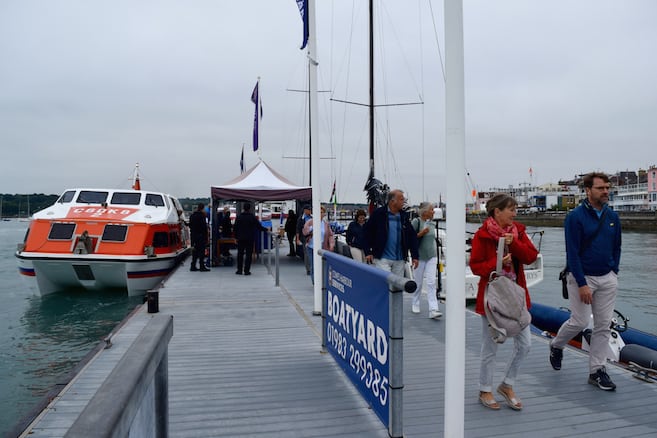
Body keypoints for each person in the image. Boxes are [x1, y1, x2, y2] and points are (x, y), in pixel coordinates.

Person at [548, 172, 622, 391]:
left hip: (607, 277)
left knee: (603, 326)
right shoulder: (575, 217)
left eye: (607, 188)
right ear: (588, 190)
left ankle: (597, 371)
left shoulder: (612, 217)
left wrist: (613, 271)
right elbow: (572, 253)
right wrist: (581, 283)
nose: (606, 191)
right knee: (579, 322)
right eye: (601, 188)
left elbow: (617, 246)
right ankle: (556, 345)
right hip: (583, 277)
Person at [470, 193, 538, 410]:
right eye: (511, 209)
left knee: (525, 344)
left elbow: (530, 256)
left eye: (515, 209)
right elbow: (476, 267)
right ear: (497, 212)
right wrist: (497, 262)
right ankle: (485, 389)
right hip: (493, 299)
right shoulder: (482, 236)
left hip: (516, 297)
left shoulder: (518, 231)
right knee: (490, 346)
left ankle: (507, 384)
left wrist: (514, 244)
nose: (514, 213)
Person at [362, 189, 419, 277]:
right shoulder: (378, 214)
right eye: (401, 199)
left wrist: (415, 256)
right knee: (385, 283)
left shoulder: (403, 216)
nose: (404, 201)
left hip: (400, 259)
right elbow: (366, 233)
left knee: (397, 286)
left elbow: (412, 236)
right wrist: (367, 252)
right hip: (382, 258)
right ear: (393, 201)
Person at [410, 202, 441, 319]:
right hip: (419, 256)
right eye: (432, 209)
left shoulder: (432, 223)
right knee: (418, 282)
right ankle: (415, 302)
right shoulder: (416, 222)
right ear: (425, 211)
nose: (434, 212)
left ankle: (433, 309)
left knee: (431, 282)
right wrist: (421, 234)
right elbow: (410, 238)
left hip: (431, 256)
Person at [233, 203, 268, 275]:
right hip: (250, 238)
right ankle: (246, 271)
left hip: (240, 238)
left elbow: (235, 228)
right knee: (249, 255)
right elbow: (259, 227)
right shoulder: (252, 217)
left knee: (240, 254)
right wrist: (266, 229)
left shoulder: (239, 217)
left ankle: (239, 270)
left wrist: (235, 237)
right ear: (249, 209)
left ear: (243, 208)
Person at [302, 205, 335, 283]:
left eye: (321, 212)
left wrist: (331, 245)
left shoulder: (326, 224)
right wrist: (311, 229)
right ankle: (315, 283)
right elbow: (304, 232)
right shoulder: (310, 222)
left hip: (323, 248)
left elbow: (330, 235)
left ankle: (323, 281)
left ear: (324, 214)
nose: (320, 214)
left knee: (323, 265)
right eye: (318, 212)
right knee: (314, 265)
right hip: (311, 247)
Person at [189, 203, 210, 272]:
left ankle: (193, 266)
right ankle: (202, 266)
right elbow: (204, 228)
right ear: (202, 208)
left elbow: (190, 226)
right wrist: (206, 237)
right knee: (201, 252)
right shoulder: (202, 216)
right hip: (201, 236)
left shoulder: (192, 215)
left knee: (195, 252)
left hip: (193, 236)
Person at [296, 204, 312, 272]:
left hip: (312, 237)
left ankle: (313, 267)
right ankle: (308, 269)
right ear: (305, 210)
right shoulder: (301, 219)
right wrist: (297, 238)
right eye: (309, 210)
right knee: (306, 253)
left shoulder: (312, 217)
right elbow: (298, 229)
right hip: (305, 237)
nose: (310, 211)